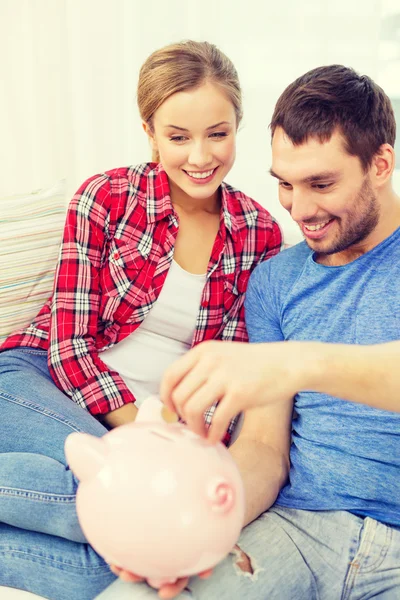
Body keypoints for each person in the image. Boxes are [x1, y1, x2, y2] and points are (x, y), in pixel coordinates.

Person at [99, 65, 400, 599]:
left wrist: (297, 363)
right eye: (285, 184)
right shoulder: (277, 280)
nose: (300, 211)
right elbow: (264, 447)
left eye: (321, 184)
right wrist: (197, 528)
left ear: (380, 164)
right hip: (301, 531)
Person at [0, 40, 281, 600]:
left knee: (130, 557)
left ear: (238, 127)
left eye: (218, 134)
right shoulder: (105, 198)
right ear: (150, 131)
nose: (200, 156)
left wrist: (181, 442)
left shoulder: (259, 232)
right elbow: (69, 346)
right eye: (178, 137)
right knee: (138, 514)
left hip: (161, 433)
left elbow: (226, 371)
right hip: (40, 379)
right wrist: (144, 437)